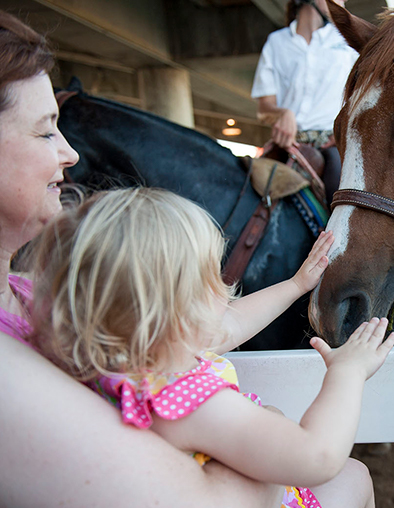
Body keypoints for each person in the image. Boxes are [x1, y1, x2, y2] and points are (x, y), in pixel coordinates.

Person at [0, 10, 289, 507]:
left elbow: (204, 327)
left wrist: (302, 282)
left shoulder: (35, 292)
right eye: (46, 131)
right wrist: (269, 443)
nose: (69, 154)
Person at [27, 187, 394, 508]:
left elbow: (232, 323)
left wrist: (298, 284)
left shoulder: (132, 364)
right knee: (355, 476)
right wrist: (348, 372)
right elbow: (318, 455)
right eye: (211, 275)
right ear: (177, 310)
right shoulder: (188, 399)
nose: (225, 284)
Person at [251, 0, 358, 203]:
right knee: (251, 193)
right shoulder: (276, 42)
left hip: (332, 146)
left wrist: (344, 130)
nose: (342, 2)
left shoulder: (347, 42)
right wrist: (282, 114)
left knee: (340, 199)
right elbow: (264, 107)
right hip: (289, 144)